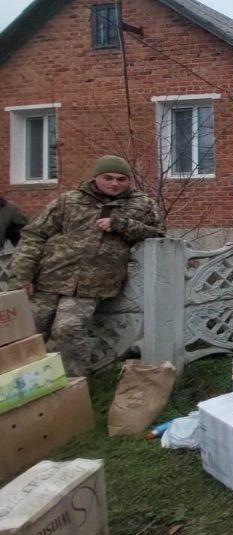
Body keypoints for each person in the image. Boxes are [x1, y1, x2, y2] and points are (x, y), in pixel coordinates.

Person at [9, 155, 162, 376]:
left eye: (121, 179)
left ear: (129, 180)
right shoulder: (69, 201)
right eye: (108, 178)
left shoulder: (143, 205)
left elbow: (159, 235)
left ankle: (74, 383)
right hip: (50, 278)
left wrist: (122, 225)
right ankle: (18, 381)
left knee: (67, 329)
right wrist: (22, 275)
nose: (114, 183)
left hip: (94, 284)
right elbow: (34, 234)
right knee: (28, 331)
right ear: (96, 177)